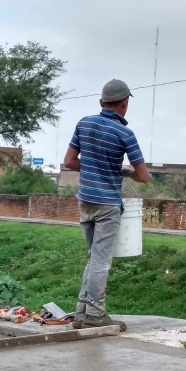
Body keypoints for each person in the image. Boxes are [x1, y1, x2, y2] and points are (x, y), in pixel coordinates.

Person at [63, 79, 150, 331]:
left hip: (85, 200)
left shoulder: (84, 123)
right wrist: (123, 170)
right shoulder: (125, 134)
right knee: (101, 260)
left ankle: (82, 311)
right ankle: (95, 314)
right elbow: (143, 176)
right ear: (125, 104)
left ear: (102, 103)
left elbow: (69, 161)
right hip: (107, 204)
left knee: (93, 257)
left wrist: (92, 166)